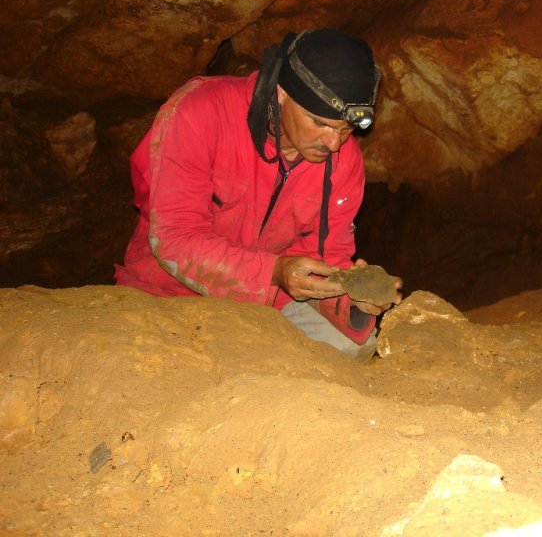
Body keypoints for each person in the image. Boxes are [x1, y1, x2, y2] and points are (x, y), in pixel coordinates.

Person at [115, 28, 403, 361]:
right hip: (168, 293)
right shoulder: (201, 113)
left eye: (345, 129)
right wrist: (273, 272)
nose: (334, 143)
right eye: (320, 123)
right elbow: (175, 239)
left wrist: (353, 298)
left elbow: (324, 260)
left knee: (353, 345)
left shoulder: (343, 160)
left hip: (271, 303)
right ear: (281, 94)